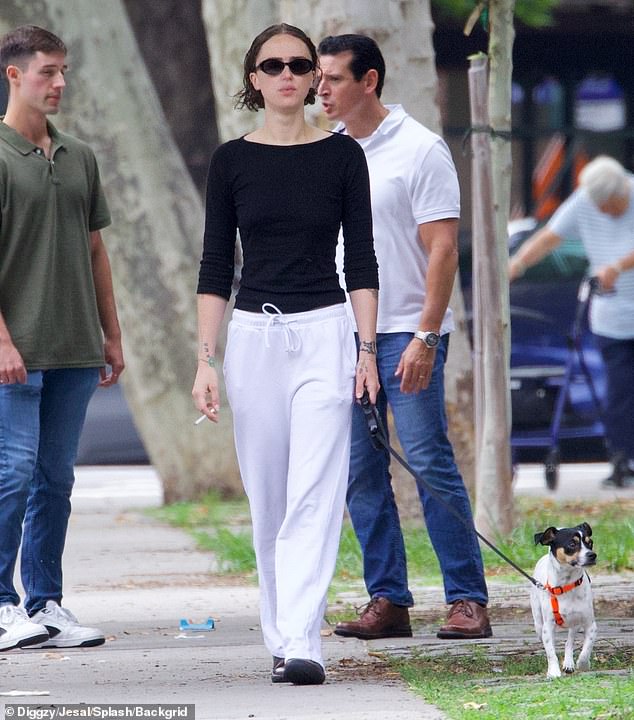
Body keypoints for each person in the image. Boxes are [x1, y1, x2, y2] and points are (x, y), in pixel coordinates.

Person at [191, 23, 379, 686]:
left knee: (316, 493)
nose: (288, 75)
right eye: (273, 66)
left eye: (301, 65)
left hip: (326, 334)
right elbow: (216, 265)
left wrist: (366, 350)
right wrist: (205, 360)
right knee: (269, 496)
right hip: (254, 340)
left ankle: (303, 639)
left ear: (314, 78)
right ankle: (281, 631)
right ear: (254, 79)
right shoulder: (232, 161)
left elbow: (361, 259)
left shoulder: (342, 156)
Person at [316, 34, 491, 640]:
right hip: (345, 334)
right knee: (360, 471)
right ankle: (387, 599)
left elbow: (442, 249)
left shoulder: (420, 148)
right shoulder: (327, 152)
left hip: (406, 333)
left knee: (427, 460)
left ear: (369, 81)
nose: (321, 90)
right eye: (319, 78)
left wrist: (427, 335)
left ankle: (468, 598)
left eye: (333, 79)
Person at [0, 26, 124, 651]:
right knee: (13, 472)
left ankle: (44, 603)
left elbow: (96, 249)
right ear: (14, 75)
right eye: (48, 72)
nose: (60, 83)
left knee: (56, 478)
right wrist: (2, 342)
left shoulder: (79, 156)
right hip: (14, 349)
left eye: (64, 71)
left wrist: (113, 333)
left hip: (76, 343)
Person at [509, 155, 634, 487]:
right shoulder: (585, 202)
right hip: (612, 319)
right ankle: (623, 459)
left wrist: (618, 266)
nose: (606, 211)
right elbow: (550, 237)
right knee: (619, 391)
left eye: (613, 204)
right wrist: (517, 265)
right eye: (602, 206)